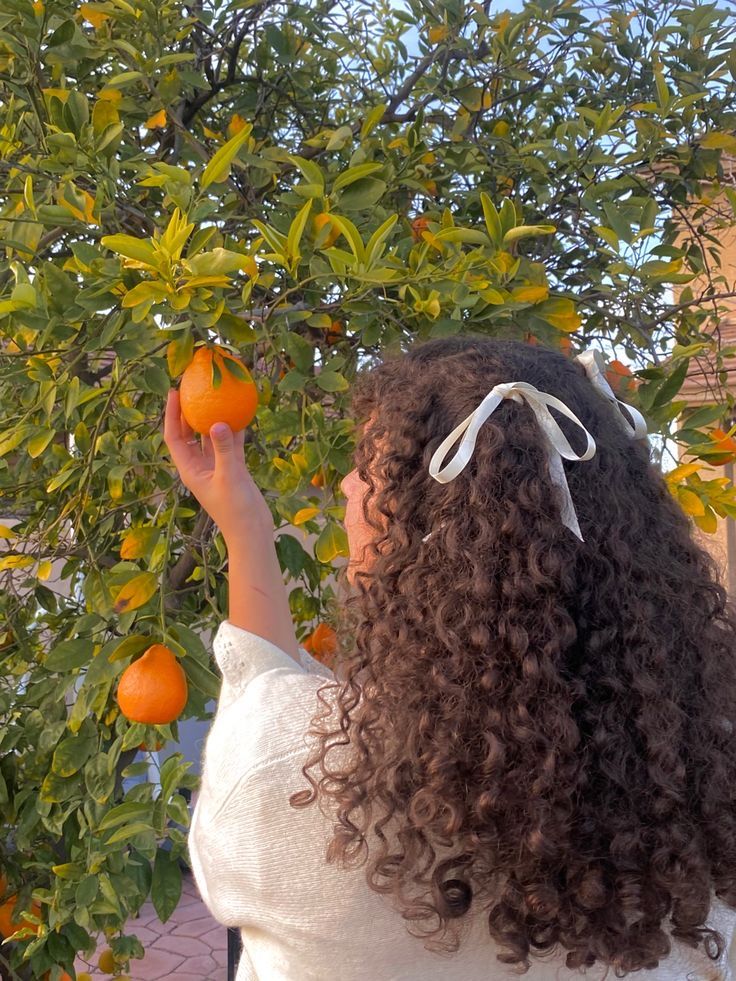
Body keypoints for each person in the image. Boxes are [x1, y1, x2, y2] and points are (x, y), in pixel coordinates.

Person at [163, 335, 736, 980]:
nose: (349, 484)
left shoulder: (295, 778)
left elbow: (259, 689)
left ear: (428, 531)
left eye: (370, 465)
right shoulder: (697, 776)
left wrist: (244, 529)